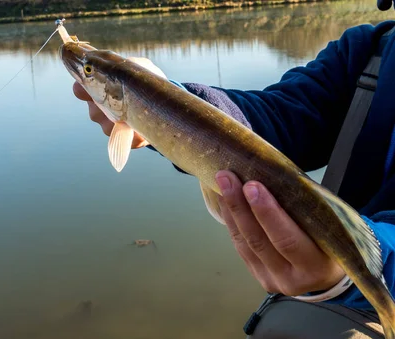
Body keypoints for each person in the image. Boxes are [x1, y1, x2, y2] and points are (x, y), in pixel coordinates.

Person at [72, 14, 395, 311]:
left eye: (88, 70)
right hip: (329, 331)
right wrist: (169, 96)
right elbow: (277, 117)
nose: (81, 69)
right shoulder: (367, 52)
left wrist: (355, 274)